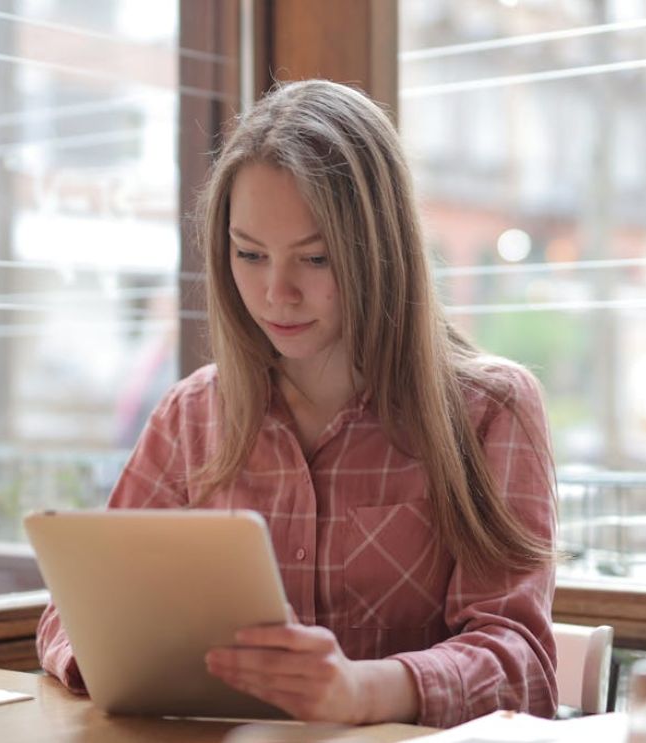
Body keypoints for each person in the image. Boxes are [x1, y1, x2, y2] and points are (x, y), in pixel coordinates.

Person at [36, 79, 558, 729]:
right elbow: (70, 614)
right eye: (248, 254)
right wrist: (118, 654)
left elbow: (523, 666)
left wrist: (362, 689)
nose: (275, 293)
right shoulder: (191, 414)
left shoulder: (490, 410)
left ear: (380, 252)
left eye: (313, 258)